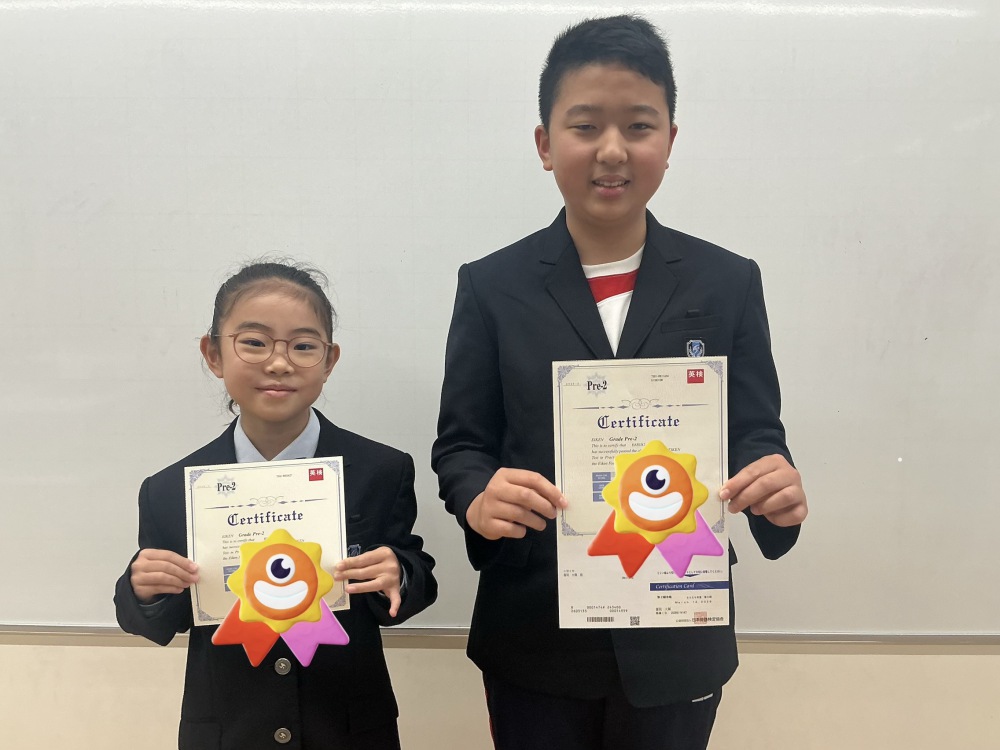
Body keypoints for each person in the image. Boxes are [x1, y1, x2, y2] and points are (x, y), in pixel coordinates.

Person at [431, 15, 807, 750]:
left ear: (670, 139)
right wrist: (477, 496)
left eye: (638, 126)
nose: (612, 150)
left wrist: (774, 485)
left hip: (678, 628)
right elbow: (462, 445)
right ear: (545, 144)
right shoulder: (492, 286)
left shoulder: (728, 281)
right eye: (585, 126)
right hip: (535, 629)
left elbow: (755, 431)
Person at [114, 260, 437, 750]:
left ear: (329, 361)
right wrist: (144, 591)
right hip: (228, 732)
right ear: (213, 354)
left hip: (348, 730)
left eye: (304, 346)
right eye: (254, 342)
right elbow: (161, 618)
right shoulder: (169, 489)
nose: (279, 363)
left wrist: (401, 574)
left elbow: (413, 581)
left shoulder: (381, 470)